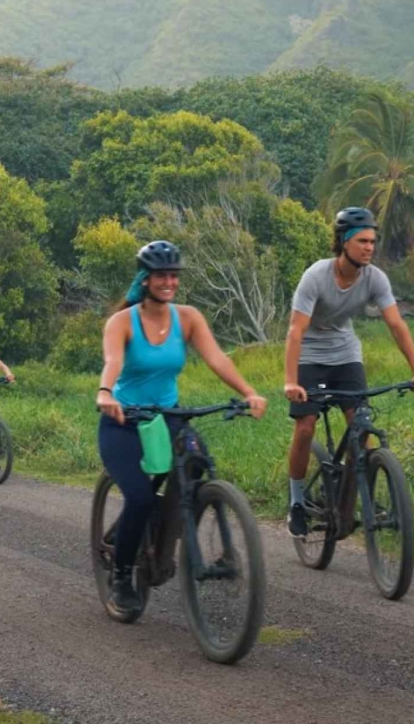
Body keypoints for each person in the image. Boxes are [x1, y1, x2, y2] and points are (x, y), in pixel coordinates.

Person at [96, 240, 267, 618]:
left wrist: (249, 392)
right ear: (145, 279)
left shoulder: (187, 317)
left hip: (168, 417)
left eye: (173, 275)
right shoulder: (122, 322)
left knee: (195, 461)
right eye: (161, 275)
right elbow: (113, 360)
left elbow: (217, 357)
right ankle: (122, 576)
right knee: (140, 498)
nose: (169, 281)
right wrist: (106, 392)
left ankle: (172, 535)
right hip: (124, 421)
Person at [283, 207, 414, 538]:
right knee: (306, 427)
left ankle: (354, 499)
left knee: (360, 431)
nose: (369, 247)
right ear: (343, 242)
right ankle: (296, 502)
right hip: (309, 356)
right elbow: (295, 331)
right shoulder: (316, 276)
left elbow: (396, 323)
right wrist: (291, 381)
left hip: (346, 355)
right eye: (362, 241)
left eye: (372, 242)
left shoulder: (375, 278)